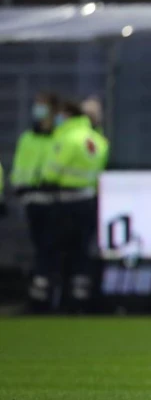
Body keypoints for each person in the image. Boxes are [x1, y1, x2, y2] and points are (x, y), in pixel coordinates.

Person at [40, 99, 109, 309]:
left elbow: (50, 173)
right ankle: (80, 298)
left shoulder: (67, 139)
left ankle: (54, 299)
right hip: (88, 201)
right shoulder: (99, 141)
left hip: (64, 202)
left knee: (57, 251)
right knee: (82, 251)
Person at [10, 93, 60, 304]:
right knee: (41, 249)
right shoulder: (27, 138)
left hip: (57, 201)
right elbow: (19, 168)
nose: (38, 110)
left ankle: (54, 294)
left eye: (42, 106)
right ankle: (40, 296)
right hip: (32, 200)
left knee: (55, 249)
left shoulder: (60, 137)